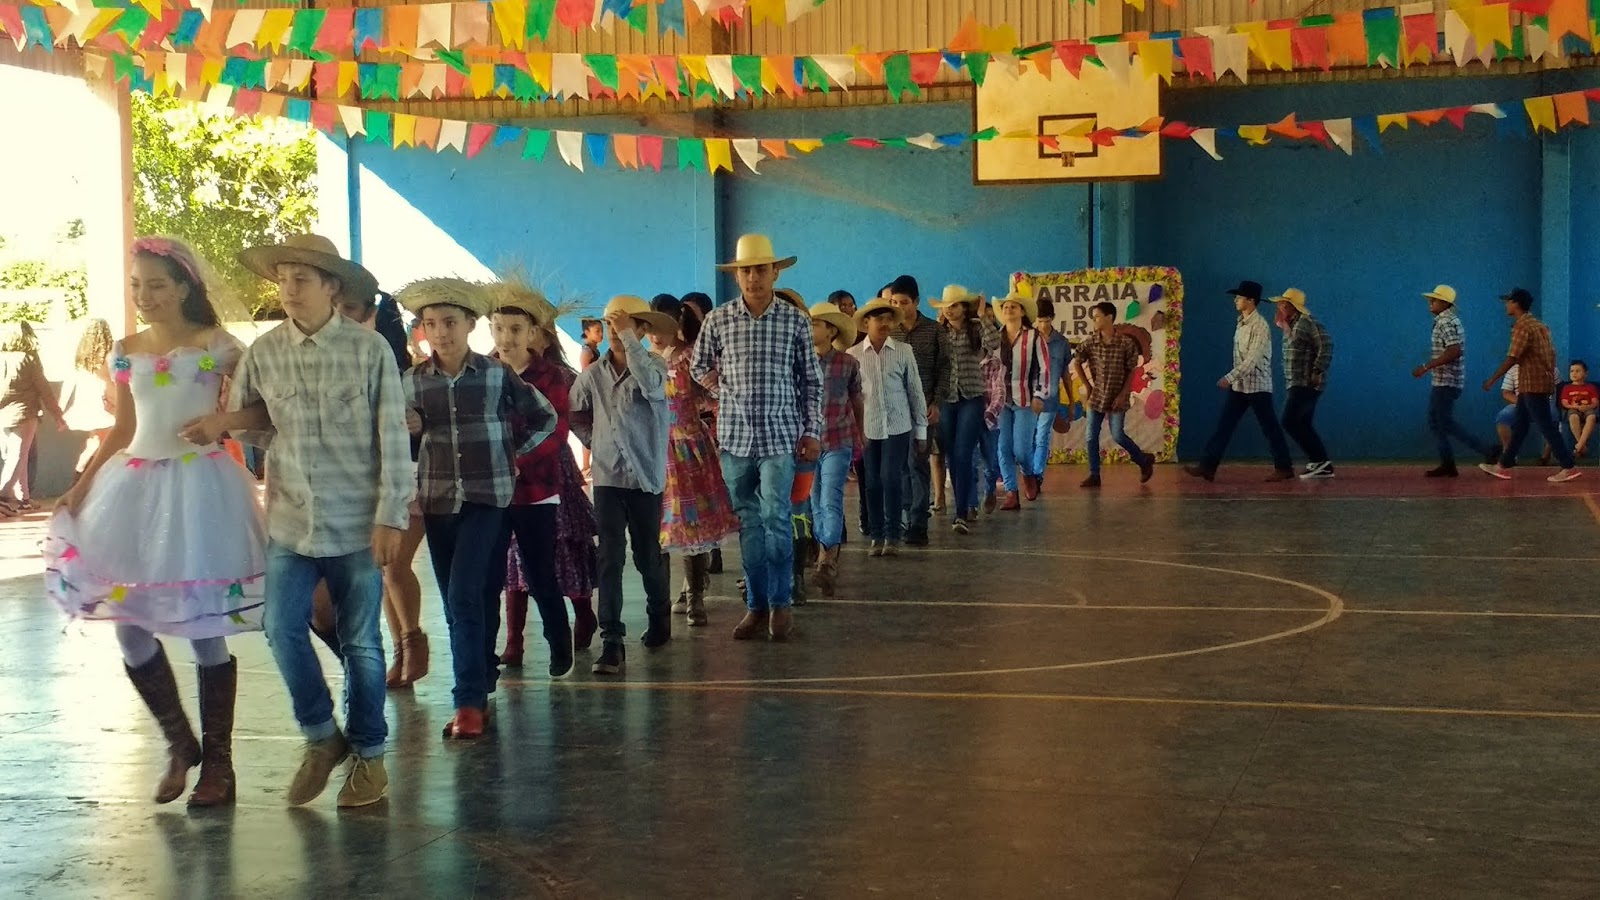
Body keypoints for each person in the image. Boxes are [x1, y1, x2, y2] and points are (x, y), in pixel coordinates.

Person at [187, 233, 413, 808]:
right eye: (283, 279)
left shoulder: (369, 351)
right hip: (290, 520)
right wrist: (225, 423)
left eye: (302, 279)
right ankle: (320, 735)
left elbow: (393, 436)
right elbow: (256, 423)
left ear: (332, 287)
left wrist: (391, 516)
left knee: (361, 642)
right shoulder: (264, 352)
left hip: (357, 522)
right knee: (280, 626)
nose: (288, 289)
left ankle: (370, 754)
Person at [47, 236, 264, 808]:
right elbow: (122, 429)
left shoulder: (218, 345)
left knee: (204, 621)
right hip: (134, 487)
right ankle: (179, 743)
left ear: (185, 286)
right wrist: (81, 486)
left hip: (201, 487)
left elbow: (261, 406)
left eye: (157, 285)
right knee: (128, 622)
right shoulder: (125, 351)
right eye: (136, 285)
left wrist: (222, 421)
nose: (144, 296)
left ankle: (219, 762)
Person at [691, 234, 822, 643]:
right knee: (748, 522)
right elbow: (698, 366)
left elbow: (811, 381)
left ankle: (781, 603)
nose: (753, 277)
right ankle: (756, 605)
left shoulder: (795, 321)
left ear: (774, 272)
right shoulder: (719, 320)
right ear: (737, 275)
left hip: (780, 437)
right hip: (735, 440)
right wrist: (723, 392)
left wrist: (812, 430)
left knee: (776, 519)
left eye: (761, 269)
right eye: (746, 270)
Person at [328, 287, 429, 688]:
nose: (341, 315)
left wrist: (419, 421)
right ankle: (403, 648)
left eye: (350, 307)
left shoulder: (398, 368)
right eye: (336, 307)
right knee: (381, 568)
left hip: (410, 477)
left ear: (371, 314)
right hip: (362, 481)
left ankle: (413, 640)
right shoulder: (332, 363)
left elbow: (424, 416)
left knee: (394, 565)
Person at [571, 296, 675, 674]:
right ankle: (612, 640)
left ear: (643, 330)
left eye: (627, 324)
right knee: (609, 556)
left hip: (645, 478)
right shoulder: (592, 374)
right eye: (612, 324)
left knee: (647, 555)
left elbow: (652, 388)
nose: (616, 331)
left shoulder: (655, 365)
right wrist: (595, 441)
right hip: (608, 479)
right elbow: (574, 410)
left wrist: (630, 339)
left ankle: (659, 613)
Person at [489, 279, 588, 671]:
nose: (506, 338)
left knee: (539, 569)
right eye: (499, 328)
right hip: (490, 491)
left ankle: (558, 640)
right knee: (490, 574)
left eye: (515, 329)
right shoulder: (482, 370)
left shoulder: (551, 376)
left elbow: (556, 431)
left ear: (533, 333)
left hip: (537, 490)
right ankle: (488, 656)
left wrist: (515, 460)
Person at [653, 294, 738, 627]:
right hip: (655, 451)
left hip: (689, 449)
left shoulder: (690, 357)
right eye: (649, 326)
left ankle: (695, 594)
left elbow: (715, 394)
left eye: (662, 326)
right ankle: (665, 596)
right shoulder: (644, 360)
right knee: (660, 527)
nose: (655, 334)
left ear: (678, 322)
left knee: (692, 522)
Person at [1183, 281, 1294, 482]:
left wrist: (1229, 377)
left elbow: (1253, 359)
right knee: (1224, 426)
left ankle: (1284, 467)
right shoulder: (1241, 323)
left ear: (1250, 300)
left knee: (1269, 427)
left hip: (1257, 386)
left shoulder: (1260, 326)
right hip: (1240, 386)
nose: (1235, 300)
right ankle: (1208, 466)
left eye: (1239, 297)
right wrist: (1234, 380)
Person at [850, 298, 928, 556]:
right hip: (867, 427)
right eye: (878, 319)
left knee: (890, 477)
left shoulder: (904, 351)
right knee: (871, 482)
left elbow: (915, 391)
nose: (883, 324)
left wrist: (921, 431)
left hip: (898, 425)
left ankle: (893, 535)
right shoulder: (853, 355)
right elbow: (850, 397)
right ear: (866, 322)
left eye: (888, 319)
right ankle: (877, 535)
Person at [1480, 288, 1580, 482]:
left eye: (1508, 301)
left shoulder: (1522, 326)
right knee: (1521, 425)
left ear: (1516, 304)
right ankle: (1504, 465)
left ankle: (1568, 466)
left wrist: (1493, 379)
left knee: (1545, 426)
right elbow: (1552, 354)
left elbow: (1512, 357)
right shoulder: (1540, 325)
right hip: (1536, 383)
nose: (1506, 305)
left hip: (1532, 385)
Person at [807, 300, 863, 593]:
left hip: (839, 440)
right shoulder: (801, 362)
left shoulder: (847, 363)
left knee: (831, 498)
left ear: (831, 331)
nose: (810, 329)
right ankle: (825, 555)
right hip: (808, 443)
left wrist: (861, 433)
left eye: (816, 324)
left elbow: (856, 399)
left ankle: (827, 557)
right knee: (815, 501)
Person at [933, 285, 997, 533]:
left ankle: (961, 512)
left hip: (971, 396)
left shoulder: (975, 328)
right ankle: (961, 508)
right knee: (951, 454)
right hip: (947, 398)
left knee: (963, 452)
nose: (949, 311)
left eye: (954, 306)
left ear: (963, 307)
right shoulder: (939, 331)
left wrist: (982, 317)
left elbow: (994, 343)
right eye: (946, 306)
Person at [886, 275, 945, 545]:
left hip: (924, 408)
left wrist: (937, 403)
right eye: (894, 302)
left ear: (916, 302)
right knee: (900, 464)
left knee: (917, 462)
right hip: (895, 408)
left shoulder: (934, 331)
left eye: (904, 302)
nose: (899, 307)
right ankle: (906, 515)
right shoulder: (889, 331)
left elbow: (946, 369)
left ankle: (919, 521)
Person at [1412, 284, 1494, 477]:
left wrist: (1426, 366)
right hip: (1444, 381)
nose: (1430, 303)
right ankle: (1448, 463)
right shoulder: (1447, 320)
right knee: (1437, 422)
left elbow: (1454, 350)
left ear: (1444, 303)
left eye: (1434, 300)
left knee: (1443, 422)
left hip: (1446, 381)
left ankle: (1487, 450)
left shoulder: (1446, 322)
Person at [1070, 302, 1156, 487]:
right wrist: (1088, 385)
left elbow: (1131, 370)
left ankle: (1143, 460)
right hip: (1097, 396)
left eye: (1097, 317)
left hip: (1117, 395)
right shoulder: (1091, 342)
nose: (1094, 320)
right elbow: (1077, 360)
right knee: (1091, 436)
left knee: (1117, 435)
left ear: (1109, 317)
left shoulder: (1125, 343)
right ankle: (1094, 474)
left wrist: (1123, 394)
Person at [0, 321, 66, 512]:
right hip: (24, 413)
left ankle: (23, 498)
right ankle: (4, 495)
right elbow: (44, 389)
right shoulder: (28, 359)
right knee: (19, 456)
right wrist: (57, 414)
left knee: (14, 456)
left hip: (3, 414)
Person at [993, 292, 1049, 509]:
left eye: (1013, 306)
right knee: (1003, 447)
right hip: (1001, 401)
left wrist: (1039, 395)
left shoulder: (1034, 337)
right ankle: (1011, 492)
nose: (1008, 309)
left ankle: (1028, 473)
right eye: (1005, 306)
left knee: (1022, 450)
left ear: (1022, 312)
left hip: (1025, 399)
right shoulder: (995, 337)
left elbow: (1045, 369)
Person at [1275, 288, 1335, 479]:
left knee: (1289, 420)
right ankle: (1321, 463)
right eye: (1280, 303)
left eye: (1284, 304)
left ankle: (1320, 461)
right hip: (1296, 381)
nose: (1280, 306)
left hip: (1305, 382)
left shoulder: (1306, 322)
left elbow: (1326, 344)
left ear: (1293, 306)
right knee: (1303, 422)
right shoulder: (1290, 325)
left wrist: (1317, 370)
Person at [59, 317, 116, 480]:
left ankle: (83, 474)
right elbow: (115, 380)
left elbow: (69, 382)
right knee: (102, 442)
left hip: (85, 402)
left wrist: (60, 409)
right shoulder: (110, 355)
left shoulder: (81, 356)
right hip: (105, 401)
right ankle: (84, 473)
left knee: (95, 440)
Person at [1030, 297, 1070, 490]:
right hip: (1029, 398)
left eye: (1047, 320)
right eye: (1040, 321)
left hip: (1051, 398)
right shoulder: (1029, 339)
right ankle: (1029, 472)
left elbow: (1065, 373)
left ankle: (1037, 475)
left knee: (1042, 437)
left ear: (1052, 318)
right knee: (1029, 437)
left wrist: (1071, 401)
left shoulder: (1062, 342)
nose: (1044, 325)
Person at [1560, 361, 1599, 457]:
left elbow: (1595, 402)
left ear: (1585, 374)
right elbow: (1564, 403)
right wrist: (1576, 407)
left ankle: (1579, 445)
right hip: (1573, 409)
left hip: (1587, 408)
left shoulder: (1590, 387)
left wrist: (1588, 407)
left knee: (1592, 417)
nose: (1574, 373)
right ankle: (1582, 445)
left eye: (1577, 371)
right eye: (1572, 371)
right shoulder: (1567, 388)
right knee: (1573, 417)